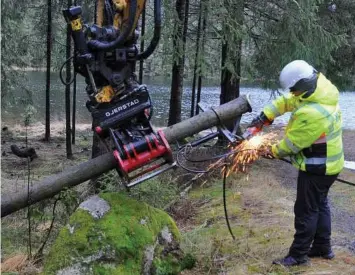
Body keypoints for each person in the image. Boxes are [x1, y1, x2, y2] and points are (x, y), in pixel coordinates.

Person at [249, 60, 344, 267]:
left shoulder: (313, 113)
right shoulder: (318, 88)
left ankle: (298, 256)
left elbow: (290, 146)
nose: (292, 93)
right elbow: (287, 101)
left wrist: (268, 151)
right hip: (329, 165)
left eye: (294, 89)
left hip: (318, 167)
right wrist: (264, 116)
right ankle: (322, 247)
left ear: (301, 85)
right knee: (320, 205)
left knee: (306, 210)